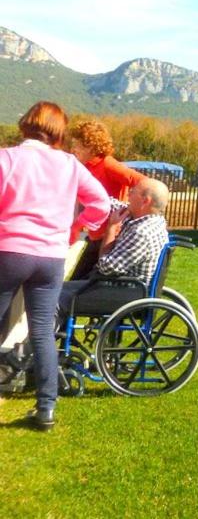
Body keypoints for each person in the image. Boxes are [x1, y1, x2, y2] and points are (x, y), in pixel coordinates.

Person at [0, 101, 110, 431]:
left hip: (9, 252)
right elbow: (101, 204)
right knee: (42, 329)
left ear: (26, 124)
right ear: (58, 132)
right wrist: (76, 227)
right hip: (51, 257)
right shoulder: (70, 165)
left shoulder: (7, 158)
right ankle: (46, 408)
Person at [59, 179, 170, 318]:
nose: (128, 193)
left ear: (145, 201)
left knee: (55, 296)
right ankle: (56, 336)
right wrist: (79, 190)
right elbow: (108, 203)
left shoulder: (141, 233)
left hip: (124, 292)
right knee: (59, 290)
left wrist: (112, 227)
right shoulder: (151, 219)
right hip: (127, 288)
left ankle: (43, 339)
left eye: (133, 191)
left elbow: (105, 267)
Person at [67, 120, 146, 281]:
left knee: (78, 283)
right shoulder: (86, 167)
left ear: (91, 146)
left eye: (78, 145)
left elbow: (143, 182)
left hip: (109, 235)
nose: (73, 149)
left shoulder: (108, 164)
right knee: (80, 282)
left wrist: (129, 209)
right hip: (96, 235)